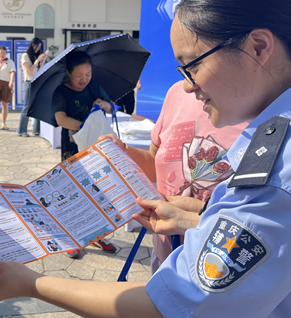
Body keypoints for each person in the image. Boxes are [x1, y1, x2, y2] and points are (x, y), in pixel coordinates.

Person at [0, 0, 291, 318]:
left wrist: (31, 283)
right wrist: (198, 217)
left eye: (190, 65)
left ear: (258, 47)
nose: (189, 87)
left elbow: (172, 309)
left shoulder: (284, 168)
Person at [104, 80, 248, 272]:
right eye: (183, 66)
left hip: (219, 270)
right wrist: (122, 151)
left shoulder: (270, 112)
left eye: (196, 62)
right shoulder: (177, 93)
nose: (188, 85)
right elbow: (155, 164)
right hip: (165, 255)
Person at [52, 50, 117, 257]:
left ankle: (96, 235)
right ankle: (71, 238)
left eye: (88, 74)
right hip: (73, 150)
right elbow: (61, 119)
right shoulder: (61, 92)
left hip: (95, 149)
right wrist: (85, 126)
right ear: (69, 73)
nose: (84, 79)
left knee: (96, 192)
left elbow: (113, 108)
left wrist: (104, 104)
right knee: (73, 193)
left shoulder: (94, 87)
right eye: (79, 75)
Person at [17, 37, 48, 137]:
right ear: (32, 44)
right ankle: (22, 131)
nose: (38, 48)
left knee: (38, 106)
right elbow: (30, 71)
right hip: (29, 82)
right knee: (27, 107)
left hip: (38, 82)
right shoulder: (25, 56)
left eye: (40, 46)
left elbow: (39, 71)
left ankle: (36, 130)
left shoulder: (36, 56)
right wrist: (37, 60)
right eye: (37, 46)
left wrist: (42, 61)